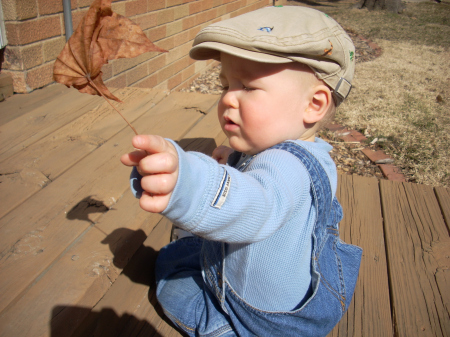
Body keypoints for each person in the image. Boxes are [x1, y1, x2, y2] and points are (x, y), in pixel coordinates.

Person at [121, 6, 362, 337]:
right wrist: (236, 155)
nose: (227, 99)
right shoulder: (310, 152)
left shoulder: (286, 166)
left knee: (170, 276)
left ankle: (223, 331)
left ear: (313, 105)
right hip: (287, 297)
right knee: (186, 254)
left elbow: (256, 204)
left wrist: (187, 183)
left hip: (256, 317)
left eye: (247, 87)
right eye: (224, 85)